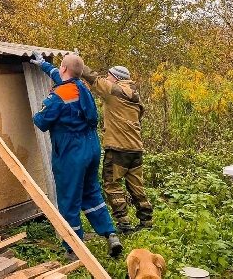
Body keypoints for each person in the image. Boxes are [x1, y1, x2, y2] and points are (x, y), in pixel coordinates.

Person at [30, 51, 123, 259]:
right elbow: (63, 77)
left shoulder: (58, 96)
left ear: (64, 69)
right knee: (91, 193)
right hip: (91, 146)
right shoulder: (83, 87)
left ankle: (73, 248)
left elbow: (41, 121)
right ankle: (110, 234)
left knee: (68, 198)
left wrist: (37, 110)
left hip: (72, 151)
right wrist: (44, 65)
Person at [81, 64, 153, 234]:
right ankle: (146, 221)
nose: (107, 78)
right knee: (136, 186)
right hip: (136, 148)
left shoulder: (114, 91)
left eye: (109, 76)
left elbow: (93, 78)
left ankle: (123, 223)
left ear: (116, 77)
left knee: (112, 184)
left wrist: (76, 61)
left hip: (118, 147)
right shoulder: (135, 96)